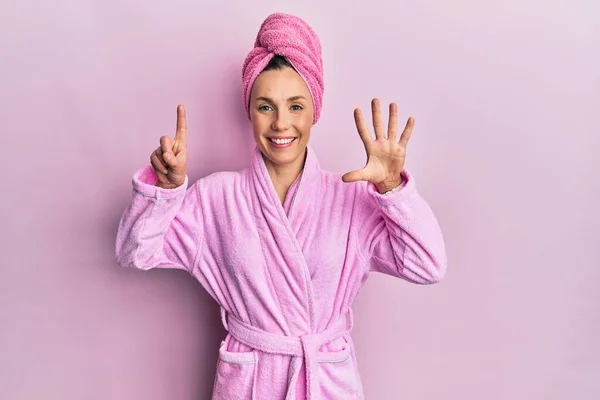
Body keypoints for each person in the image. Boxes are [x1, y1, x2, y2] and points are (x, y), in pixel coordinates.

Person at [115, 12, 447, 400]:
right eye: (266, 106)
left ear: (314, 111)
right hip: (251, 383)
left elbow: (428, 265)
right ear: (249, 111)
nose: (280, 124)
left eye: (295, 106)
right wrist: (167, 190)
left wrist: (393, 190)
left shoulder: (350, 198)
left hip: (325, 381)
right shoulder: (217, 199)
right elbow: (134, 252)